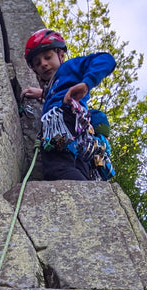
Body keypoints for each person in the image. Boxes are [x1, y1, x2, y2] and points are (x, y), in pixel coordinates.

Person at [20, 28, 116, 181]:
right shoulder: (54, 87)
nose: (44, 64)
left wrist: (86, 84)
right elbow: (57, 92)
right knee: (78, 167)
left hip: (63, 120)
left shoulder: (70, 67)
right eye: (38, 63)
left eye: (48, 57)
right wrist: (42, 94)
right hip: (77, 129)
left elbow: (106, 59)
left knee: (57, 167)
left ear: (61, 55)